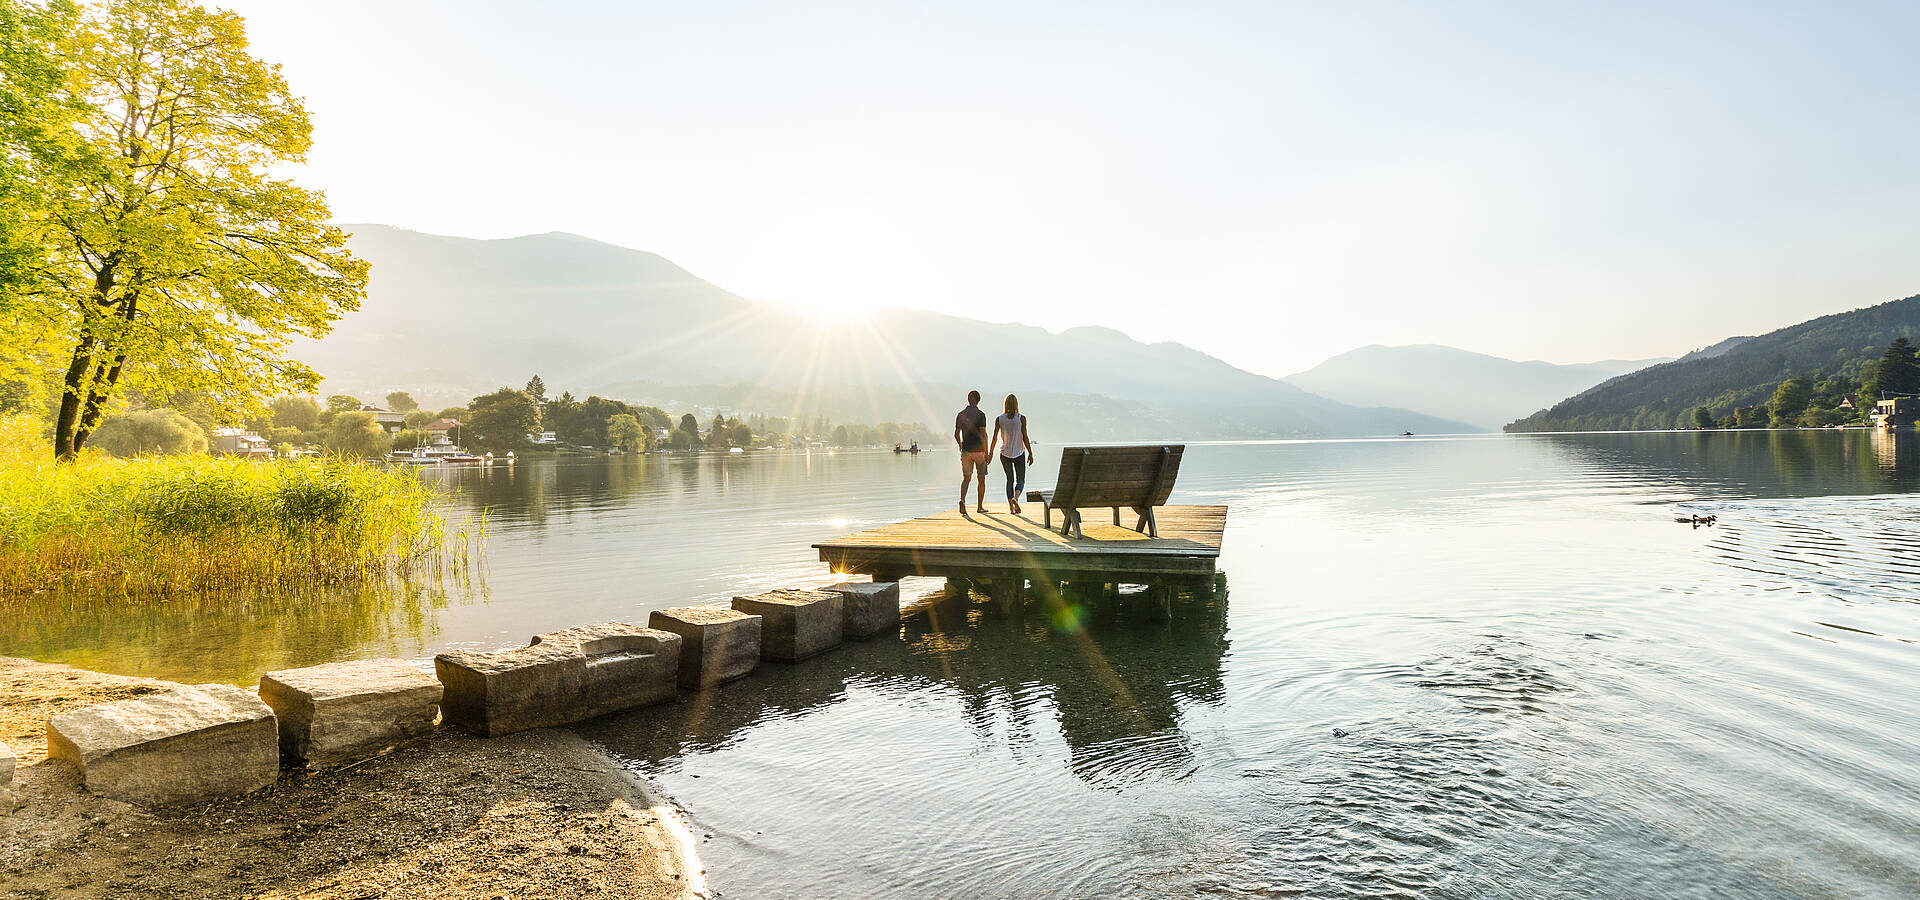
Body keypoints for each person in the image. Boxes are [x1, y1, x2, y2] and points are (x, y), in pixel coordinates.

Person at [991, 393, 1035, 515]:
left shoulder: (999, 419)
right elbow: (1025, 437)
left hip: (1004, 454)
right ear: (1016, 404)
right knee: (1020, 480)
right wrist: (1030, 453)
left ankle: (1011, 508)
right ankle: (1016, 498)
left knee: (1009, 480)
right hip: (1019, 453)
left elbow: (994, 437)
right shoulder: (1021, 418)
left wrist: (990, 453)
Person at [954, 389, 990, 516]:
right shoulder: (981, 415)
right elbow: (984, 434)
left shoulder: (960, 414)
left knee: (966, 479)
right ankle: (980, 507)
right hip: (979, 451)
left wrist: (960, 445)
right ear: (978, 400)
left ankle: (962, 500)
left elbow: (956, 434)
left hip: (966, 451)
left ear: (968, 399)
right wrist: (987, 452)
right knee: (981, 479)